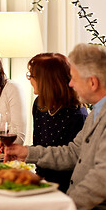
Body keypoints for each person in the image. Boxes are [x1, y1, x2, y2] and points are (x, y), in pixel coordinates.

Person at [5, 43, 106, 210]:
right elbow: (74, 152)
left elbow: (102, 180)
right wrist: (27, 153)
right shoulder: (101, 109)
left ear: (92, 82)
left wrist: (61, 207)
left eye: (74, 78)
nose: (70, 84)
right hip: (98, 204)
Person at [26, 53, 88, 192]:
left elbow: (73, 160)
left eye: (32, 76)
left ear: (46, 81)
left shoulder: (78, 115)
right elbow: (39, 147)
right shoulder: (39, 104)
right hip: (40, 182)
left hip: (65, 189)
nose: (29, 80)